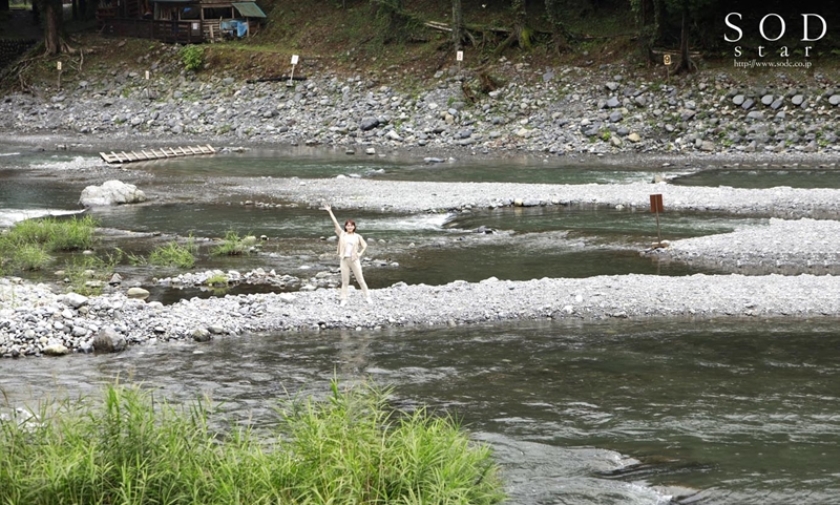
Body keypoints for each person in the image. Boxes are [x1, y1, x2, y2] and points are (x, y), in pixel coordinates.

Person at [322, 204, 372, 306]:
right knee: (345, 281)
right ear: (345, 227)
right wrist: (329, 211)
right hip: (344, 259)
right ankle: (343, 299)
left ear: (354, 227)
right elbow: (335, 223)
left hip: (354, 260)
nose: (349, 227)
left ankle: (367, 297)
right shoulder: (342, 234)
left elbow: (365, 245)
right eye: (348, 225)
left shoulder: (357, 236)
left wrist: (359, 253)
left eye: (351, 225)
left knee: (360, 280)